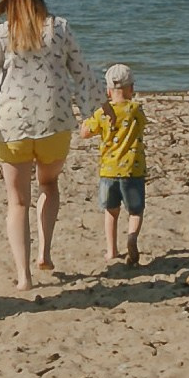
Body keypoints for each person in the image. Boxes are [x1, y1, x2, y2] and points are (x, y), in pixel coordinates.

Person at [0, 0, 101, 290]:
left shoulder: (1, 35)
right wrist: (102, 108)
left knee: (17, 203)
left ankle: (23, 276)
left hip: (12, 128)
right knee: (49, 184)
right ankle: (44, 253)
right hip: (54, 124)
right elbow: (83, 72)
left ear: (8, 5)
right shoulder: (59, 28)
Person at [80, 61, 147, 266]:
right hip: (133, 170)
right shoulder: (135, 109)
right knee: (135, 210)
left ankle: (111, 250)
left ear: (108, 91)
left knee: (111, 211)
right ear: (132, 89)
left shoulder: (102, 113)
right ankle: (132, 237)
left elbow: (84, 133)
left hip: (108, 171)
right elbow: (143, 124)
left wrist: (88, 118)